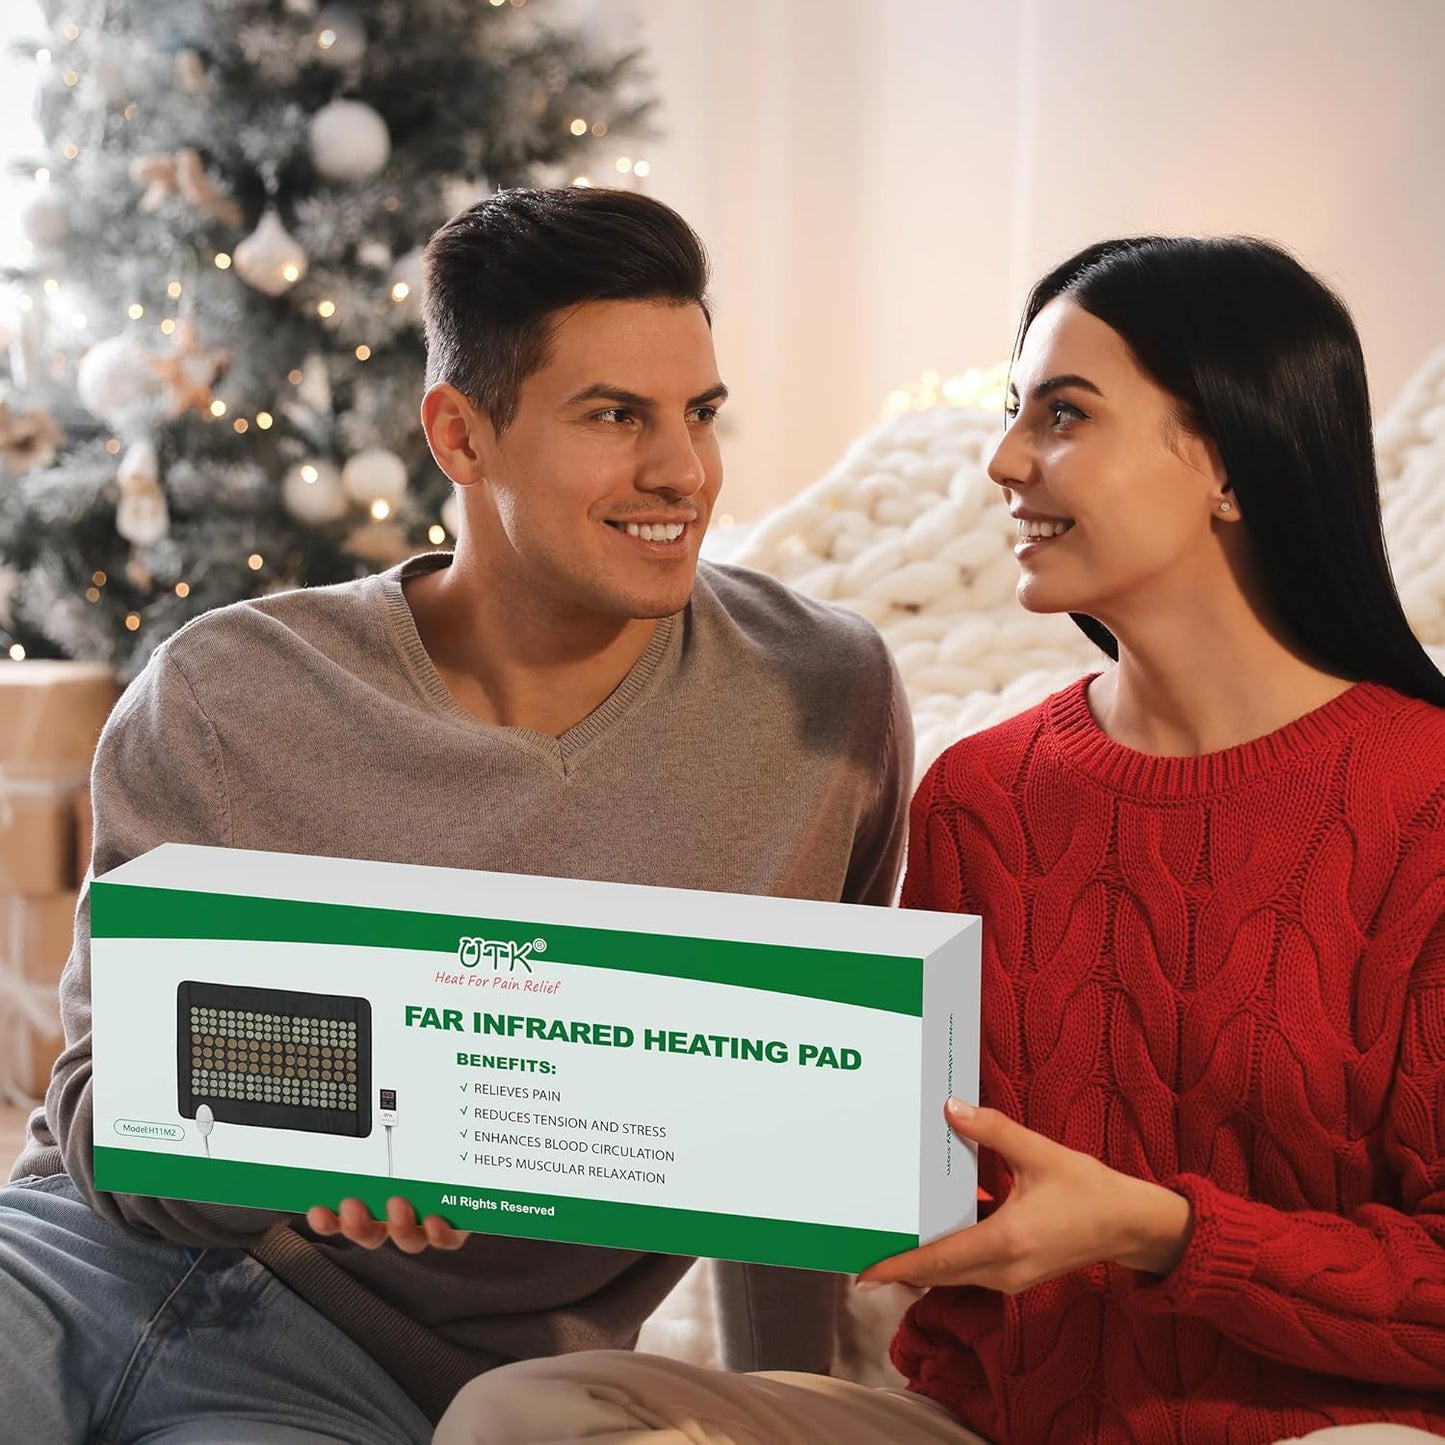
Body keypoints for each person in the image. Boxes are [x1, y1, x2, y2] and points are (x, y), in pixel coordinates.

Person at [435, 236, 1445, 1444]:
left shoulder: (1418, 802)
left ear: (1226, 459)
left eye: (1061, 414)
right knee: (532, 1407)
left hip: (1325, 1431)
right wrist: (526, 1108)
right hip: (989, 1428)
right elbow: (926, 1192)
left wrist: (1159, 1230)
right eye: (1011, 411)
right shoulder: (984, 793)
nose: (1002, 460)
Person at [0, 187, 912, 1444]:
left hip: (376, 1376)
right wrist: (306, 1145)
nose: (683, 472)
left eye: (700, 414)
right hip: (68, 1272)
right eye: (615, 416)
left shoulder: (821, 699)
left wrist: (771, 1404)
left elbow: (790, 1132)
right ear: (459, 434)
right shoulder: (231, 687)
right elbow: (103, 1124)